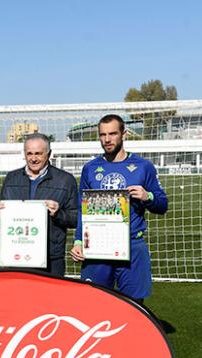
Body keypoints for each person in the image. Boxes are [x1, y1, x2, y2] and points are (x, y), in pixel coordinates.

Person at [70, 114, 168, 303]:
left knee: (134, 307)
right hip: (97, 247)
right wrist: (78, 241)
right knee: (95, 303)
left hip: (132, 246)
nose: (107, 139)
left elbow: (163, 205)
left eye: (113, 133)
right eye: (102, 135)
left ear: (124, 134)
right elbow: (83, 210)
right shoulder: (90, 168)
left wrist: (148, 196)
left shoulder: (143, 167)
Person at [0, 133, 78, 276]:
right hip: (17, 255)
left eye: (38, 154)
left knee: (49, 298)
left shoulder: (65, 180)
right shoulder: (11, 178)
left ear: (49, 154)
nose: (33, 159)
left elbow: (76, 217)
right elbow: (2, 220)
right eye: (29, 154)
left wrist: (58, 214)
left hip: (51, 257)